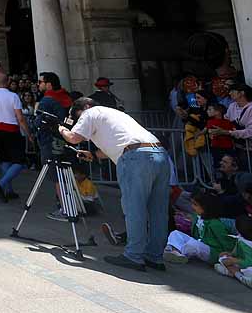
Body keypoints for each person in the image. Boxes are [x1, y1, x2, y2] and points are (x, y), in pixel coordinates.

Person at [59, 97, 170, 272]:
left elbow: (73, 138)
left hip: (135, 159)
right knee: (158, 211)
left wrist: (62, 129)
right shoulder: (115, 114)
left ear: (86, 107)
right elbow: (119, 143)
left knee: (135, 209)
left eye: (77, 115)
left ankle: (133, 256)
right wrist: (94, 155)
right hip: (159, 154)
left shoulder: (91, 112)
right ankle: (154, 256)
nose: (79, 120)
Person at [0, 73, 29, 201]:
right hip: (11, 131)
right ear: (8, 81)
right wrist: (28, 133)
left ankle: (8, 190)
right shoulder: (13, 96)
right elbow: (20, 118)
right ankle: (1, 184)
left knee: (5, 160)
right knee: (19, 161)